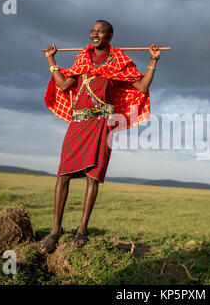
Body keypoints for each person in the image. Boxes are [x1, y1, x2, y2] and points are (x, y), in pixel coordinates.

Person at [40, 20, 160, 253]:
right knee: (63, 174)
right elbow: (64, 85)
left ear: (110, 36)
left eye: (100, 32)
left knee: (93, 176)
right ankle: (55, 230)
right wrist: (51, 60)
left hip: (101, 124)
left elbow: (143, 87)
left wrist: (153, 59)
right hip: (77, 123)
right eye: (92, 31)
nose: (94, 35)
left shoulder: (119, 63)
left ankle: (82, 229)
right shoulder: (82, 61)